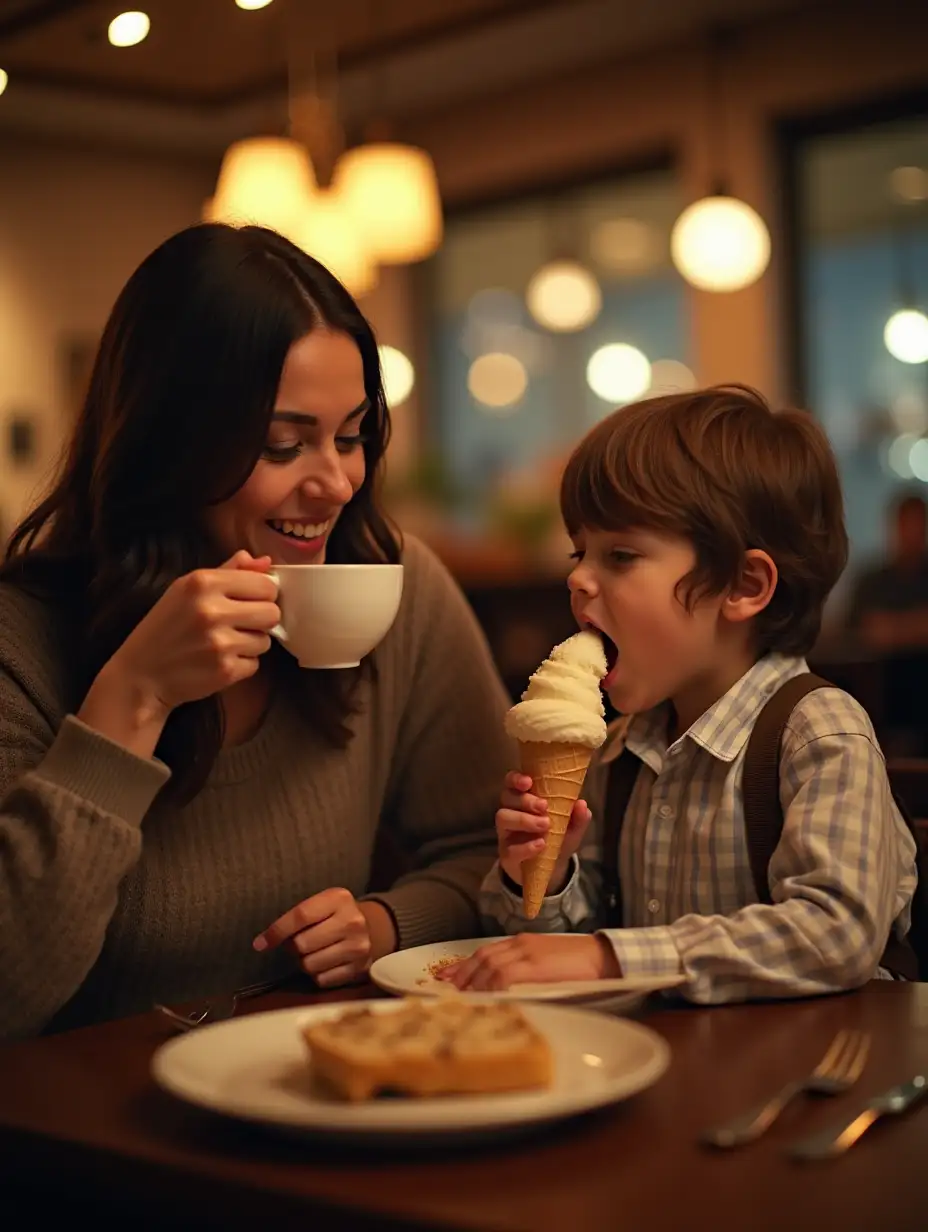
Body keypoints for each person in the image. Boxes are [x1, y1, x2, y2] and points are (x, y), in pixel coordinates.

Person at [0, 223, 512, 1040]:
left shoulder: (393, 588)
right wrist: (133, 698)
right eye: (285, 444)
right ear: (169, 444)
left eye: (350, 437)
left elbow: (502, 856)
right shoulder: (22, 641)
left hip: (315, 1093)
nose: (338, 482)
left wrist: (388, 924)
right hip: (83, 1138)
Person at [442, 386, 918, 1003]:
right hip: (674, 1073)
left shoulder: (817, 732)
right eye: (579, 552)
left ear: (744, 585)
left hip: (820, 1076)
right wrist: (544, 875)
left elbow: (836, 933)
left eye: (621, 555)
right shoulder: (619, 749)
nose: (578, 577)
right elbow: (567, 945)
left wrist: (608, 960)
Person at [845, 492, 928, 755]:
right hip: (880, 694)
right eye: (906, 524)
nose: (911, 533)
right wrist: (914, 627)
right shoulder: (872, 581)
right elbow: (857, 633)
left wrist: (891, 630)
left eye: (918, 524)